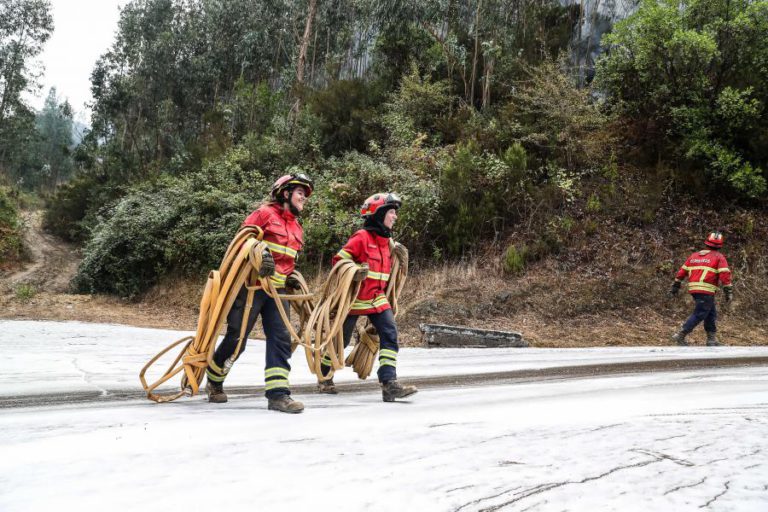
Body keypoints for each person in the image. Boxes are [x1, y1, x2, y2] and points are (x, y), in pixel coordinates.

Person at [205, 173, 313, 413]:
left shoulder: (297, 227)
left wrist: (290, 277)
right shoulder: (264, 214)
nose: (303, 198)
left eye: (305, 195)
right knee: (237, 339)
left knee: (281, 339)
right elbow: (242, 241)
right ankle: (214, 379)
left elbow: (288, 260)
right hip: (251, 288)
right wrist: (259, 252)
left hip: (278, 292)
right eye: (300, 193)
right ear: (285, 193)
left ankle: (278, 395)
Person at [317, 192, 418, 402]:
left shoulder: (388, 243)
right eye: (392, 212)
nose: (395, 217)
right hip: (354, 299)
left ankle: (389, 383)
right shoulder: (361, 237)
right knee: (342, 341)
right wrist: (354, 271)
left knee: (390, 333)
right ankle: (324, 375)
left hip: (377, 298)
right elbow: (338, 261)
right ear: (379, 214)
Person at [669, 231, 733, 346]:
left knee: (711, 313)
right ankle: (680, 334)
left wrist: (676, 285)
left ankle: (711, 339)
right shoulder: (719, 257)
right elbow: (725, 275)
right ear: (720, 245)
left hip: (694, 289)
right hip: (706, 289)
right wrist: (728, 292)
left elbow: (682, 272)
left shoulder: (694, 256)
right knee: (700, 313)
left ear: (706, 243)